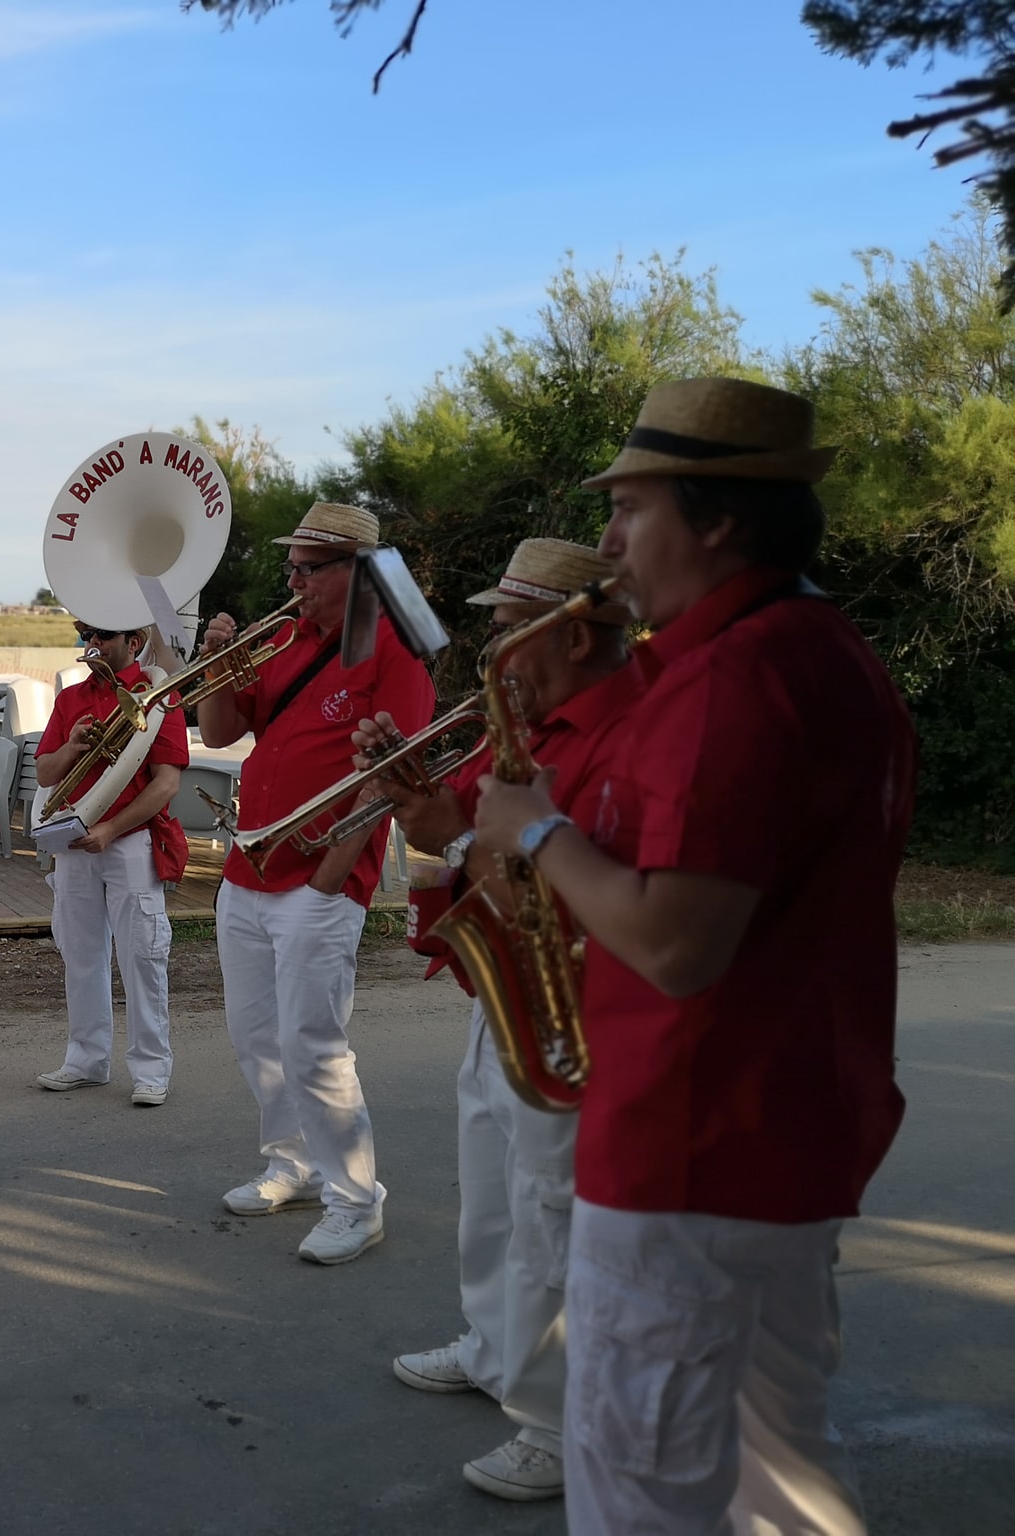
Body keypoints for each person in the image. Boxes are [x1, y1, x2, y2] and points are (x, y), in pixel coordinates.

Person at [472, 379, 914, 1534]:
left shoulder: (732, 676)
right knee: (779, 1482)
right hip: (770, 1140)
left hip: (685, 1146)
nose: (608, 544)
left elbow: (674, 943)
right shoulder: (821, 653)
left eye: (628, 509)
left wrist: (531, 828)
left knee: (640, 1492)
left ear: (714, 519)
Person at [357, 538, 641, 1503]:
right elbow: (460, 836)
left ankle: (558, 1427)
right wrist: (418, 804)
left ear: (582, 638)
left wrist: (474, 844)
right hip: (503, 992)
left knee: (550, 1213)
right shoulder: (525, 723)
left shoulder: (630, 729)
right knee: (492, 1191)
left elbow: (577, 883)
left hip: (572, 1009)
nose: (500, 657)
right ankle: (494, 1350)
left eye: (514, 635)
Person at [196, 503, 436, 1264]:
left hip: (319, 880)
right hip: (250, 869)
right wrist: (222, 663)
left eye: (307, 569)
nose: (292, 582)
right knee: (254, 1034)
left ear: (356, 575)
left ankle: (356, 1200)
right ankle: (292, 1162)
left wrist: (332, 882)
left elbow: (390, 778)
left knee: (313, 1044)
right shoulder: (289, 639)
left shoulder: (393, 652)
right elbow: (222, 731)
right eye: (291, 567)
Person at [32, 622, 187, 1105]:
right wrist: (73, 746)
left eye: (103, 637)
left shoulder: (160, 696)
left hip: (130, 841)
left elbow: (165, 784)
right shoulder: (71, 699)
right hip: (75, 840)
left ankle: (151, 1069)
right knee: (80, 954)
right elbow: (43, 771)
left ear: (133, 643)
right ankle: (86, 1059)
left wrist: (111, 829)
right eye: (87, 637)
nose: (92, 645)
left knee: (141, 956)